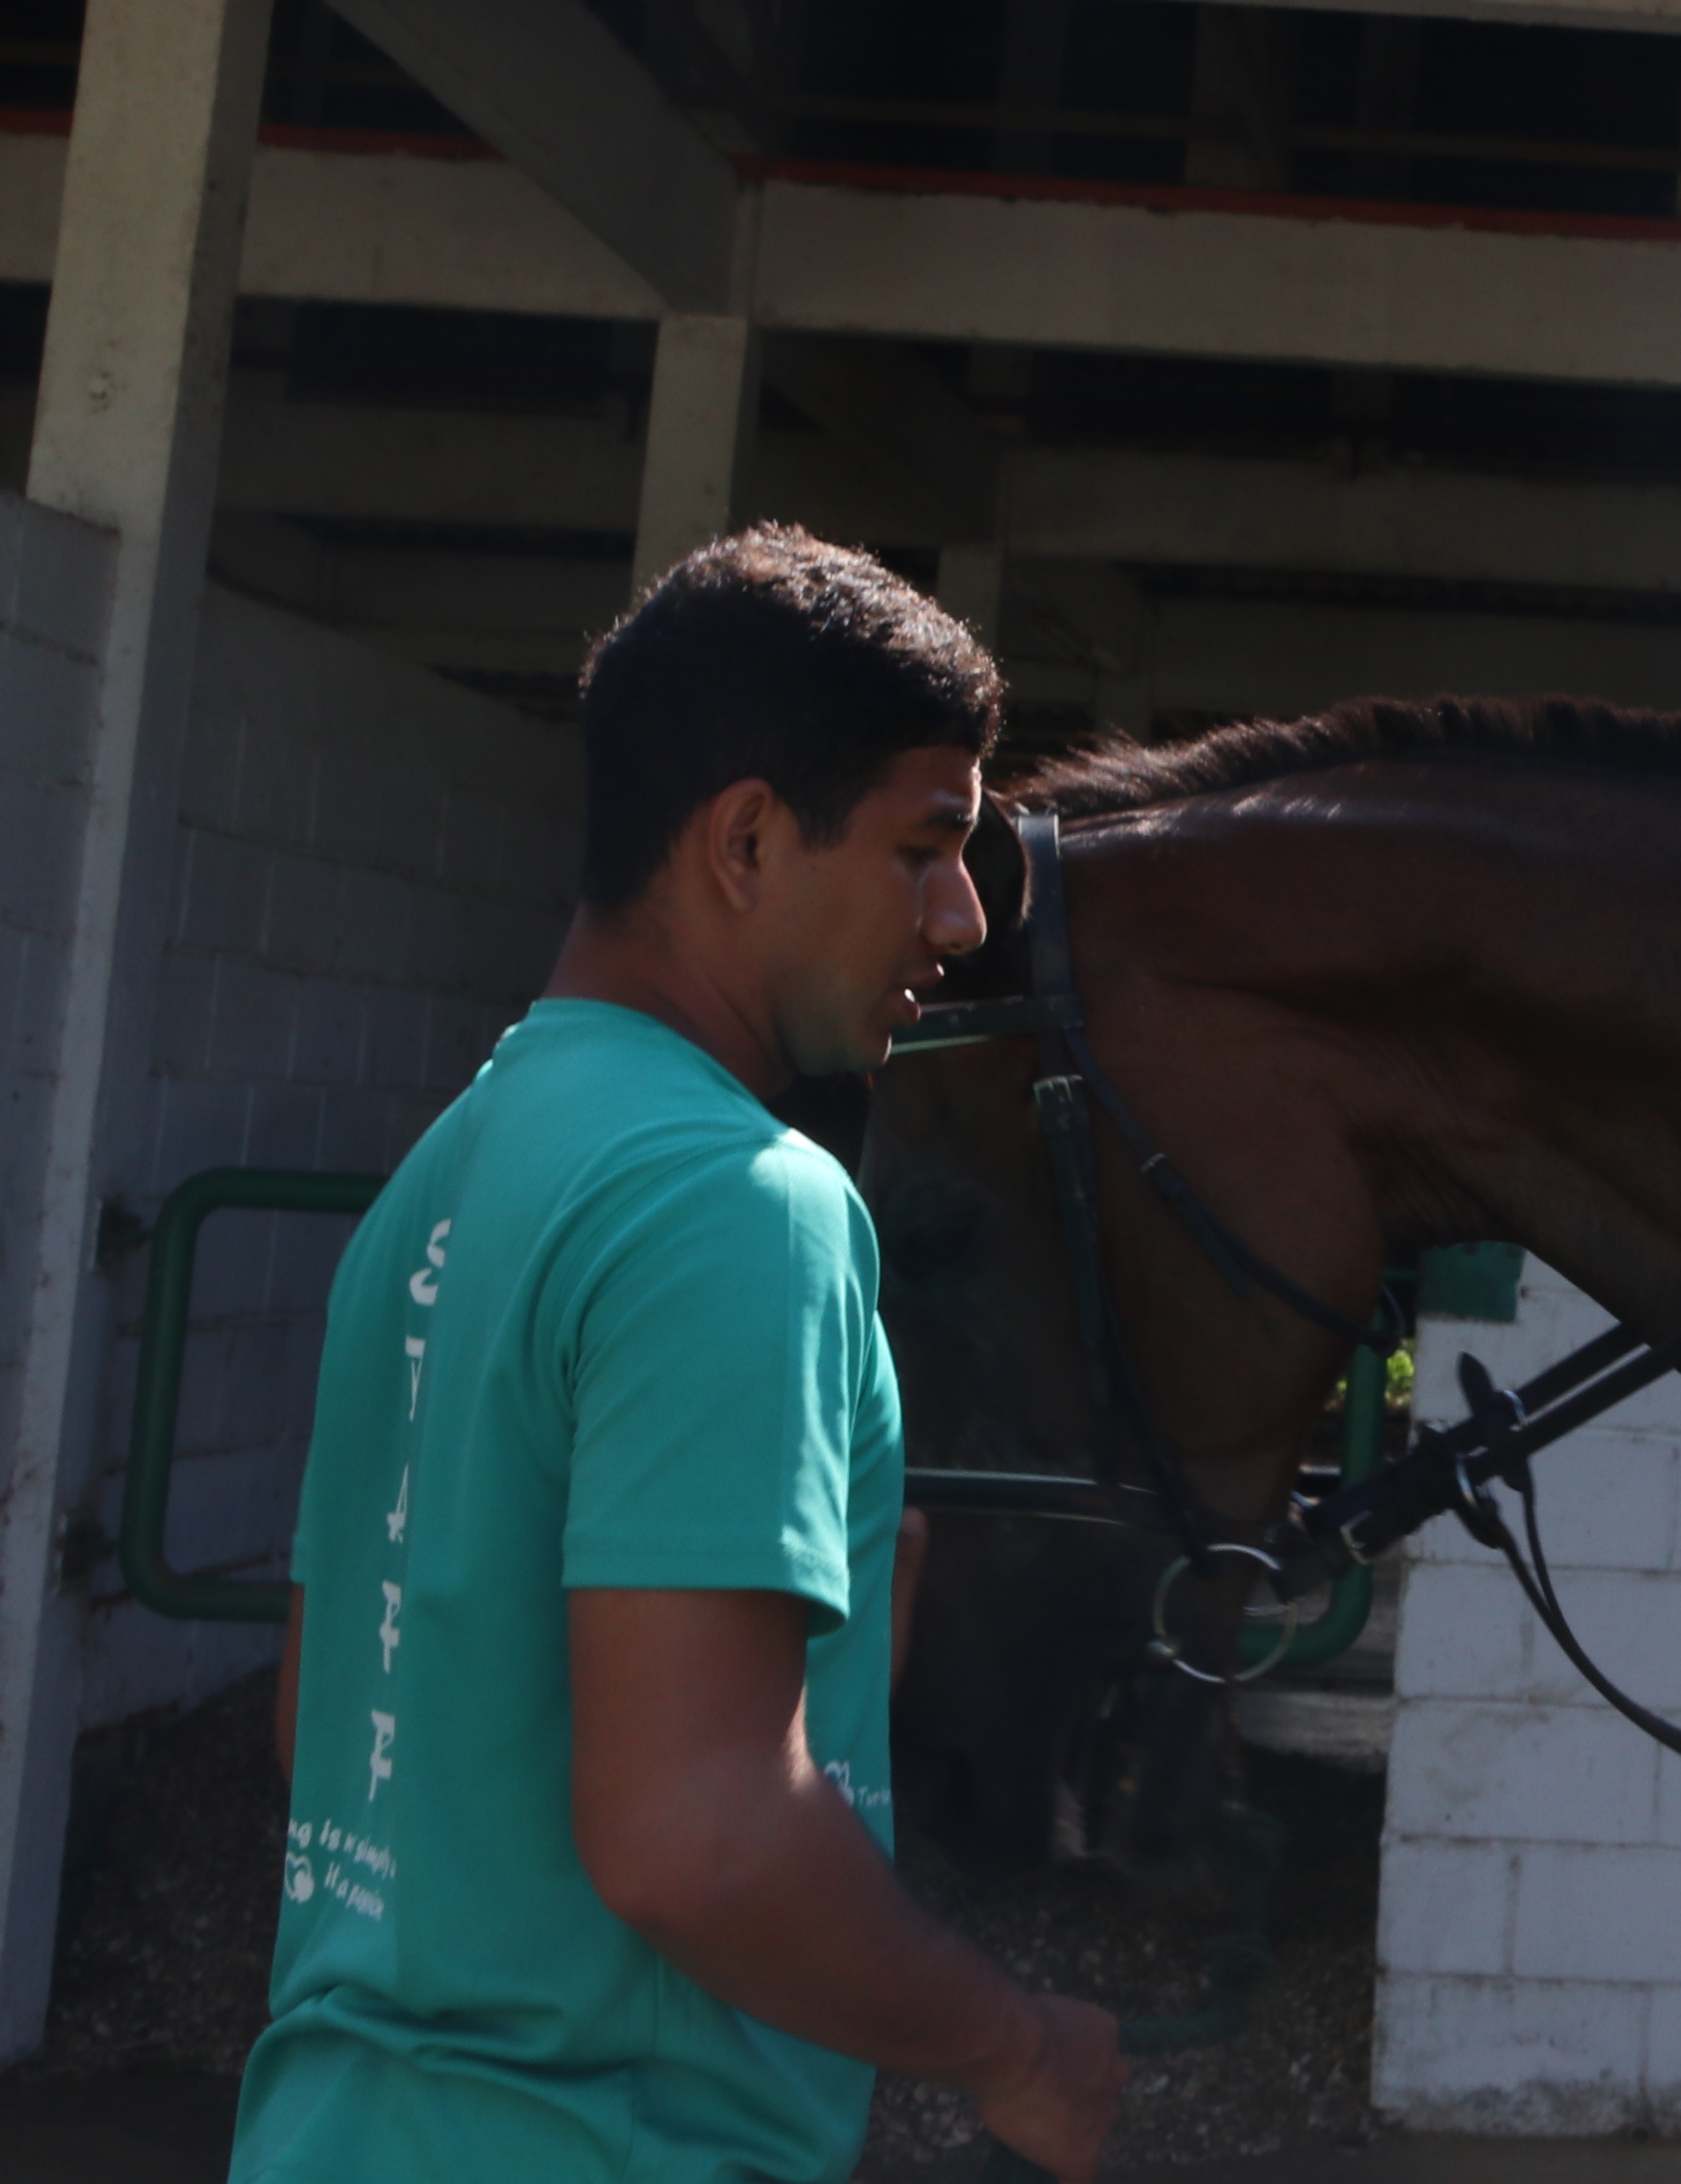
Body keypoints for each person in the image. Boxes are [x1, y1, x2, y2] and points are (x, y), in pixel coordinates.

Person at [235, 525, 1123, 2184]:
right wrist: (1020, 2048)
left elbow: (339, 1717)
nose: (959, 916)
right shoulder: (738, 1200)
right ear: (744, 842)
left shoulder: (453, 1168)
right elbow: (697, 1843)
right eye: (931, 844)